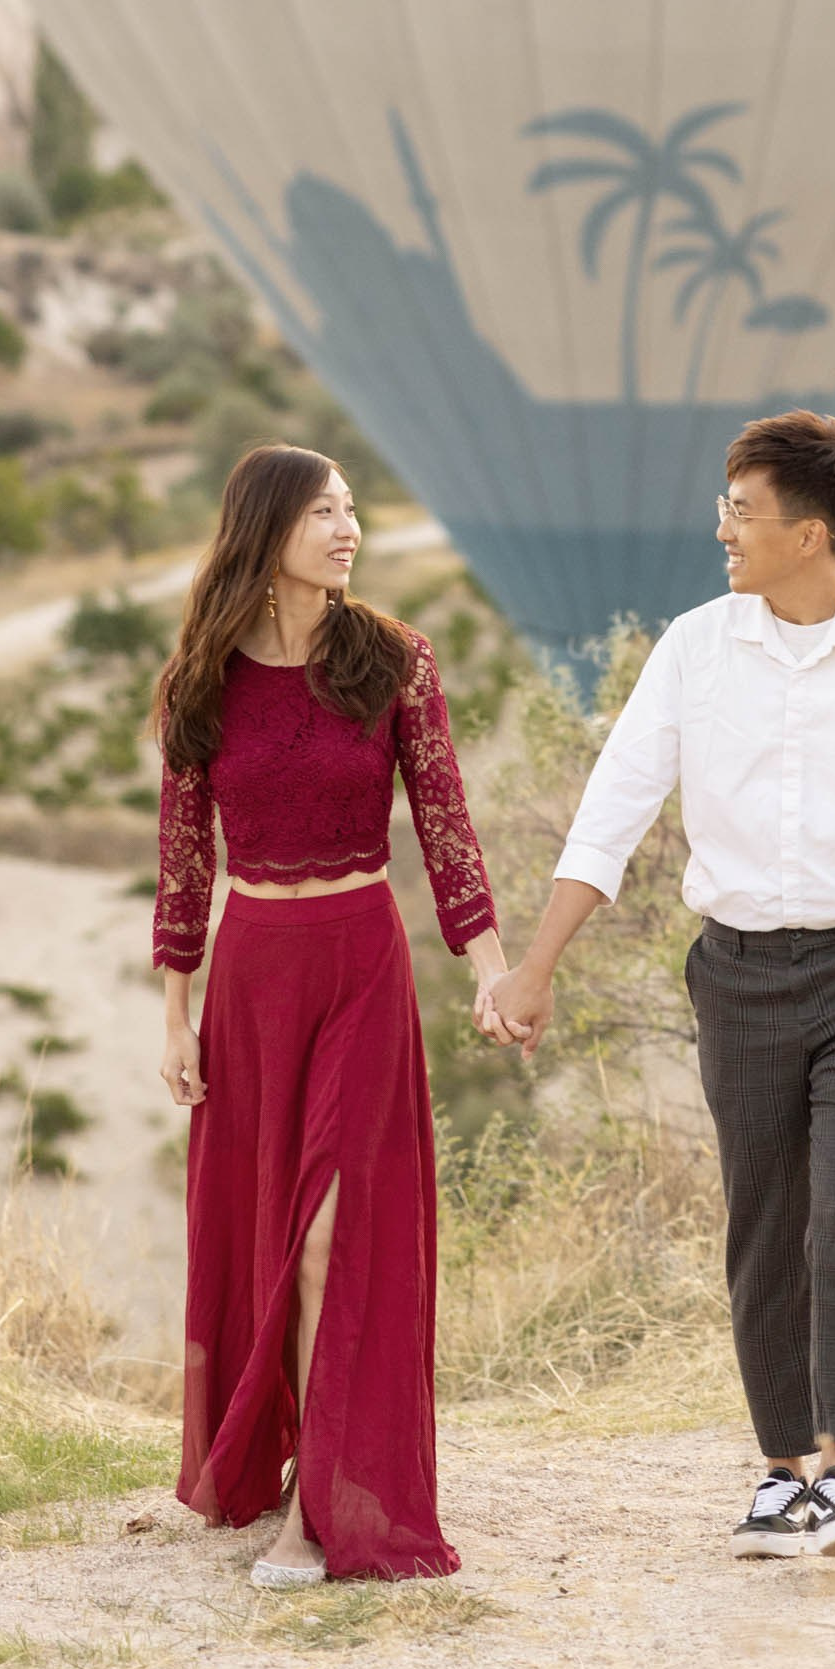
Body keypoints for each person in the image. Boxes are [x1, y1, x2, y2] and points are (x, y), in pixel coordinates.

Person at [479, 410, 835, 1562]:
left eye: (740, 511)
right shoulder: (693, 647)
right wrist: (536, 964)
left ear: (808, 534)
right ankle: (778, 1475)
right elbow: (615, 809)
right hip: (739, 972)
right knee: (764, 1224)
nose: (720, 529)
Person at [154, 443, 508, 1588]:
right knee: (260, 1227)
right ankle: (277, 1460)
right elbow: (183, 864)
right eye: (324, 513)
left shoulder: (394, 661)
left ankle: (322, 1508)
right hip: (253, 974)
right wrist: (178, 1012)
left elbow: (448, 830)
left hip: (361, 959)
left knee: (328, 1231)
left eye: (354, 510)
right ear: (266, 532)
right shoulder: (201, 681)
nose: (348, 530)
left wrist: (492, 967)